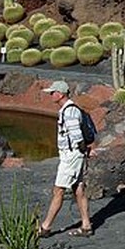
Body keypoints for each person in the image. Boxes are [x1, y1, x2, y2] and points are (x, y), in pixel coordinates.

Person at [38, 80, 93, 238]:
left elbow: (77, 136)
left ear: (60, 94)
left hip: (71, 156)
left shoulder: (69, 112)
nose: (50, 95)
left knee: (58, 190)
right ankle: (86, 225)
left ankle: (45, 227)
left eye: (52, 92)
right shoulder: (70, 109)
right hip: (74, 154)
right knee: (79, 188)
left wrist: (82, 151)